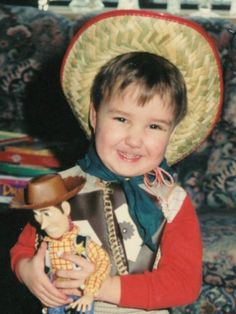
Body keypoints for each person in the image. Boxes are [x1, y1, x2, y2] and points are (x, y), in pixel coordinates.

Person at [10, 10, 223, 314]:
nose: (135, 139)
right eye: (122, 119)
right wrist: (27, 271)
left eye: (154, 126)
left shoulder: (172, 202)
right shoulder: (58, 188)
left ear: (171, 133)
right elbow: (22, 247)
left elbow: (184, 284)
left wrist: (104, 287)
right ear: (95, 116)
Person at [10, 173, 110, 314]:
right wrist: (26, 271)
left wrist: (89, 292)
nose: (43, 225)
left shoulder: (81, 242)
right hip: (55, 298)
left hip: (81, 297)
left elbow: (103, 262)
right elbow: (20, 250)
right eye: (36, 215)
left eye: (47, 214)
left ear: (66, 209)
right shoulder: (45, 241)